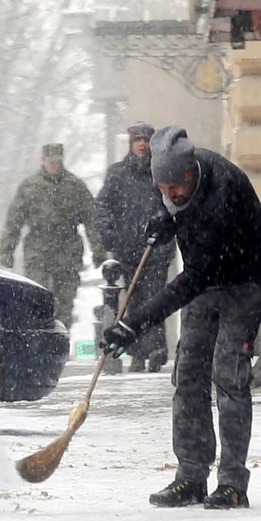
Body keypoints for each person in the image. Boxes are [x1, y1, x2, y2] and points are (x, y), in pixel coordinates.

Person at [100, 126, 261, 510]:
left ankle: (232, 484)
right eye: (162, 189)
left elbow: (193, 279)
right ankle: (191, 477)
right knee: (188, 374)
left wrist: (134, 324)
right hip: (206, 279)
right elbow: (174, 208)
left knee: (228, 376)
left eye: (176, 188)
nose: (170, 194)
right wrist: (166, 218)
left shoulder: (222, 193)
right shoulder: (172, 182)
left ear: (191, 173)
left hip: (245, 282)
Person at [94, 122, 174, 373]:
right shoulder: (118, 174)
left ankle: (156, 349)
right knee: (133, 300)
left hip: (157, 249)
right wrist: (107, 231)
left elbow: (172, 202)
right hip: (127, 250)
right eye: (137, 140)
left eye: (146, 140)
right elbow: (102, 205)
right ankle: (138, 352)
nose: (142, 144)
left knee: (155, 299)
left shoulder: (160, 172)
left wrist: (165, 228)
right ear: (131, 144)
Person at [0, 143, 106, 328]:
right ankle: (38, 336)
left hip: (67, 250)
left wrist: (99, 251)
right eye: (51, 161)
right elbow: (14, 221)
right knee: (36, 297)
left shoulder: (75, 186)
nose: (55, 165)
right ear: (43, 161)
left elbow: (91, 220)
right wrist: (6, 251)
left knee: (65, 302)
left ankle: (60, 336)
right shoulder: (30, 186)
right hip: (38, 250)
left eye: (57, 161)